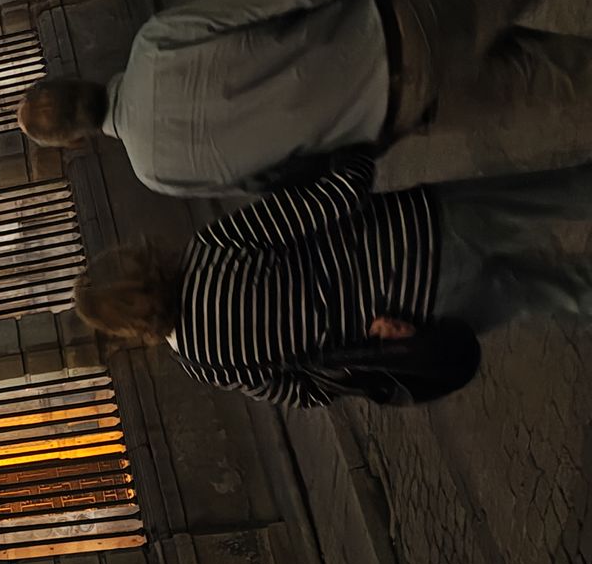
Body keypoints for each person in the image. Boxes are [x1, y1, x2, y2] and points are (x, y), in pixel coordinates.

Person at [19, 0, 592, 196]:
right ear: (78, 76)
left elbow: (275, 181)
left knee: (562, 80)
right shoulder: (155, 44)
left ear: (76, 141)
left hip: (405, 111)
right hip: (401, 17)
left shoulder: (158, 174)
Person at [70, 153, 592, 407]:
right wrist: (354, 153)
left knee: (560, 293)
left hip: (423, 317)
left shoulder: (204, 361)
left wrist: (368, 339)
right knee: (560, 193)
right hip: (422, 233)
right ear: (133, 260)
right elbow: (332, 200)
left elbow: (307, 393)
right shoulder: (213, 250)